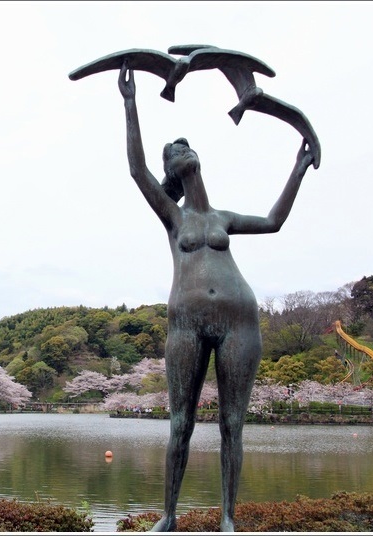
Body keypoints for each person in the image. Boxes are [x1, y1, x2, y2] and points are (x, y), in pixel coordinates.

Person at [117, 61, 314, 532]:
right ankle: (169, 515)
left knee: (232, 424)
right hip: (186, 322)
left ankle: (227, 517)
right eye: (173, 153)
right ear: (172, 172)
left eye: (184, 146)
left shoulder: (223, 218)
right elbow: (135, 170)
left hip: (240, 321)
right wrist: (130, 103)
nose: (180, 152)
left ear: (197, 159)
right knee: (180, 422)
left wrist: (299, 167)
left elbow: (273, 222)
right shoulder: (173, 216)